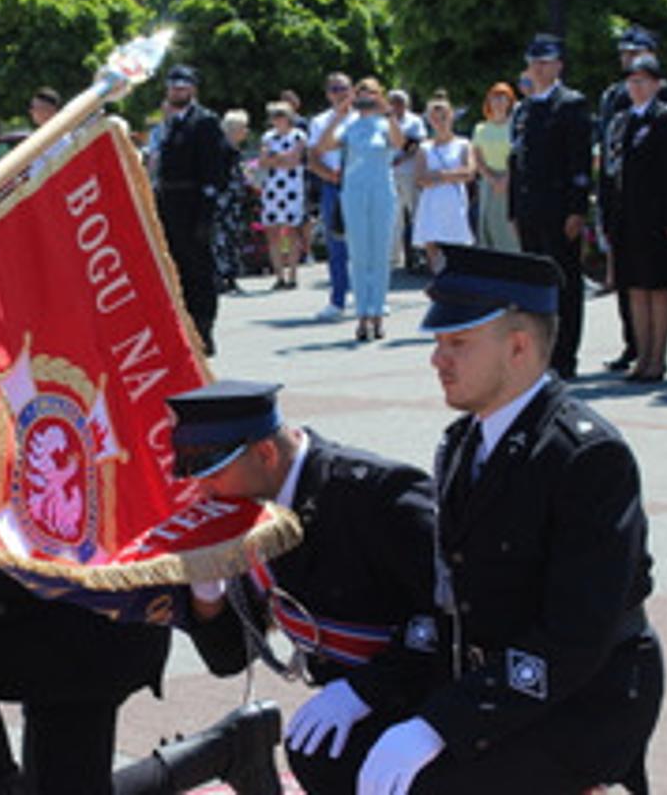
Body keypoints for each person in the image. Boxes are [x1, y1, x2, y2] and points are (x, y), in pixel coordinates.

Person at [391, 245, 662, 793]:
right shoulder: (464, 442)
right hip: (500, 683)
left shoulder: (585, 457)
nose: (437, 359)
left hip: (583, 702)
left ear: (518, 347)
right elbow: (454, 599)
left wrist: (445, 722)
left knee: (428, 785)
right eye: (439, 342)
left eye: (457, 343)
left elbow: (576, 638)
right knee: (337, 755)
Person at [168, 379, 451, 794]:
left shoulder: (378, 495)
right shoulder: (250, 509)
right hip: (354, 703)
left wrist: (366, 692)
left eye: (212, 472)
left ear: (265, 453)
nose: (201, 489)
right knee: (316, 752)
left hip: (430, 699)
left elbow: (456, 614)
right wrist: (206, 591)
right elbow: (229, 657)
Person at [0, 559, 283, 795]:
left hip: (106, 629)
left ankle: (228, 748)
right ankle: (228, 748)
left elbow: (79, 532)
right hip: (49, 612)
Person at [508, 34, 594, 379]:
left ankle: (564, 356)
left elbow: (580, 161)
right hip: (531, 208)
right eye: (534, 62)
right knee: (535, 286)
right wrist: (514, 209)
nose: (539, 68)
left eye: (545, 62)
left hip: (559, 208)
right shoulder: (525, 108)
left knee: (565, 283)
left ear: (558, 65)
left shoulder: (570, 104)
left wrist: (577, 209)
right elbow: (518, 162)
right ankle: (540, 354)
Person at [602, 55, 667, 383]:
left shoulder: (665, 118)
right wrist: (610, 218)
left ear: (656, 84)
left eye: (642, 81)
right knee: (636, 288)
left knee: (659, 287)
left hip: (658, 217)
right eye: (631, 81)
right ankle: (642, 355)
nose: (635, 87)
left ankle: (658, 357)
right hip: (628, 218)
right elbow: (612, 173)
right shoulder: (622, 120)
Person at [316, 77, 405, 343]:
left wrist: (387, 111)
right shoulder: (349, 125)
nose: (366, 98)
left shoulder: (385, 123)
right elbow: (323, 146)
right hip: (354, 191)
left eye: (372, 94)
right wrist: (340, 112)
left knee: (379, 254)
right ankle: (362, 315)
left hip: (381, 190)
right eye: (362, 93)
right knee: (359, 254)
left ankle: (377, 313)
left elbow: (400, 143)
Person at [594, 27, 659, 376]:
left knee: (645, 281)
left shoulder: (654, 101)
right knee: (623, 279)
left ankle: (645, 346)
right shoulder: (613, 96)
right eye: (625, 54)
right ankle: (631, 342)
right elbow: (607, 152)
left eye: (636, 53)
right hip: (617, 195)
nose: (628, 60)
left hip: (645, 205)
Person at [152, 65, 229, 355]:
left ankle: (204, 328)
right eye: (173, 86)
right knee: (176, 269)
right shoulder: (169, 124)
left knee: (200, 270)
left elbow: (214, 170)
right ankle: (183, 328)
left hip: (194, 202)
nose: (177, 91)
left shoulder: (205, 121)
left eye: (183, 87)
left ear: (193, 89)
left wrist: (207, 212)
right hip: (170, 203)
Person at [309, 72, 356, 322]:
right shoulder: (320, 121)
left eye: (344, 88)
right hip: (335, 185)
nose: (340, 94)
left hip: (361, 184)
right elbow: (313, 157)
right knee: (336, 244)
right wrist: (329, 175)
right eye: (335, 89)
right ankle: (338, 299)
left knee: (365, 243)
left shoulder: (363, 117)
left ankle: (367, 296)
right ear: (328, 94)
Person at [412, 93, 476, 270]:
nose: (440, 122)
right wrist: (450, 175)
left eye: (444, 117)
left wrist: (438, 175)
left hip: (454, 203)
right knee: (433, 250)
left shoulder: (463, 144)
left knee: (458, 250)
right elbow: (420, 178)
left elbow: (469, 172)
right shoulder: (424, 147)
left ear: (451, 117)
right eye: (435, 118)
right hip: (431, 204)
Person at [259, 101, 309, 290]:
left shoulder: (298, 135)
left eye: (281, 116)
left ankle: (293, 274)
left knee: (292, 230)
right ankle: (279, 275)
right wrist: (280, 158)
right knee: (273, 232)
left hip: (292, 187)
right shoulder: (268, 137)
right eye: (274, 116)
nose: (277, 120)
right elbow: (263, 161)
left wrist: (275, 158)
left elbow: (294, 159)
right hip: (272, 188)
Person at [471, 83, 520, 252]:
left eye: (503, 98)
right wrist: (491, 178)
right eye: (495, 97)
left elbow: (519, 155)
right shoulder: (480, 128)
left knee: (508, 225)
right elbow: (477, 157)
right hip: (488, 180)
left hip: (511, 179)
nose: (498, 102)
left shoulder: (516, 127)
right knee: (487, 222)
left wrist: (506, 179)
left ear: (510, 102)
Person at [214, 108, 254, 294]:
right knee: (223, 238)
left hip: (234, 201)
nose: (246, 131)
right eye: (243, 127)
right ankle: (223, 276)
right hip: (224, 201)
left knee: (233, 237)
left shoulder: (233, 149)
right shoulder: (222, 148)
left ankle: (230, 276)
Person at [388, 89, 428, 269]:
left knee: (415, 213)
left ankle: (419, 253)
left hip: (410, 171)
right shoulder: (383, 120)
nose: (396, 105)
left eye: (400, 102)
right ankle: (392, 256)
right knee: (393, 216)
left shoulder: (414, 121)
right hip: (389, 173)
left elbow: (416, 143)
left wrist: (400, 158)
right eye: (393, 101)